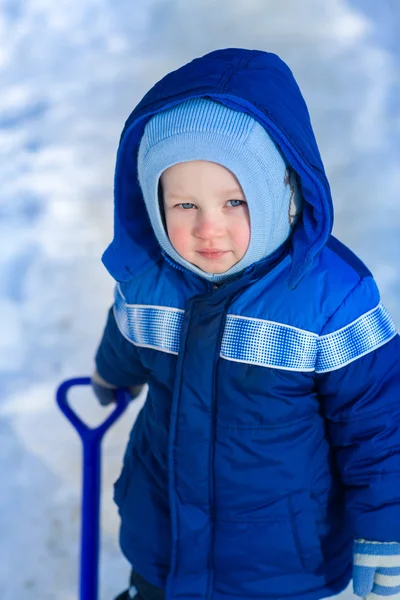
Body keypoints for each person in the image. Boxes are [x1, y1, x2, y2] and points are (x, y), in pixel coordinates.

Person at [92, 48, 400, 600]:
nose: (209, 229)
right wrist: (110, 374)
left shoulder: (329, 301)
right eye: (184, 206)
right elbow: (126, 335)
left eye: (234, 201)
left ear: (283, 194)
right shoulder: (148, 283)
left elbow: (381, 424)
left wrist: (387, 528)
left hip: (278, 563)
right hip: (162, 536)